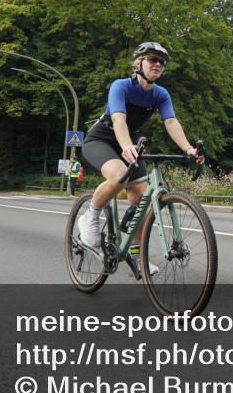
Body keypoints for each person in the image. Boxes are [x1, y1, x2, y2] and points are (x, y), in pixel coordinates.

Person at [79, 42, 205, 278]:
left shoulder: (160, 94)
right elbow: (118, 119)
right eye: (152, 59)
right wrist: (126, 147)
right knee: (118, 177)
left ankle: (136, 257)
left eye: (161, 61)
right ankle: (91, 215)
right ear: (138, 64)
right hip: (102, 138)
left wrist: (188, 148)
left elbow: (171, 122)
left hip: (131, 141)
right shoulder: (121, 86)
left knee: (142, 197)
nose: (157, 64)